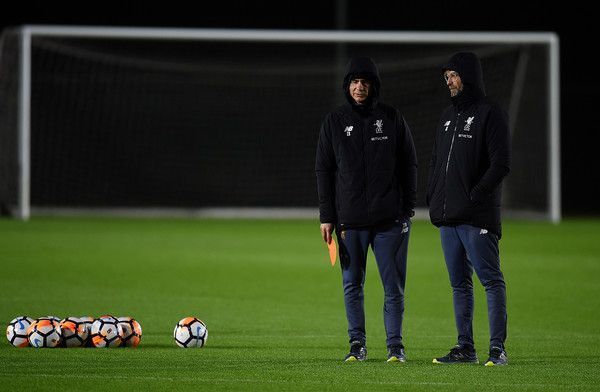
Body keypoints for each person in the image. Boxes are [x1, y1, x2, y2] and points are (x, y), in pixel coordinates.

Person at [315, 57, 417, 363]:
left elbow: (409, 163)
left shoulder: (391, 118)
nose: (359, 88)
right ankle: (357, 345)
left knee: (394, 287)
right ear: (347, 86)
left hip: (389, 221)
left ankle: (395, 347)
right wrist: (327, 216)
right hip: (350, 222)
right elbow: (323, 169)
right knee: (352, 284)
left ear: (373, 85)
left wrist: (407, 209)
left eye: (365, 82)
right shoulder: (334, 121)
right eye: (354, 82)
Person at [426, 52, 511, 366]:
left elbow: (501, 164)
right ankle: (465, 349)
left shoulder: (491, 113)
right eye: (446, 77)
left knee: (490, 279)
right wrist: (433, 195)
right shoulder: (447, 116)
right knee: (459, 283)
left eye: (453, 75)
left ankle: (497, 350)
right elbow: (436, 161)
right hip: (449, 218)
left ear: (468, 76)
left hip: (477, 216)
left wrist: (476, 196)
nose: (449, 82)